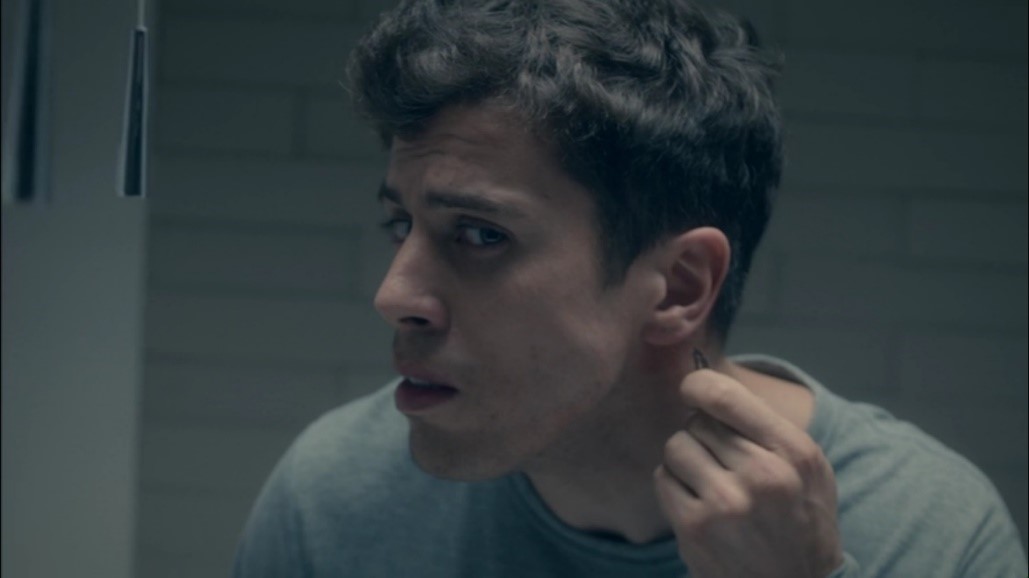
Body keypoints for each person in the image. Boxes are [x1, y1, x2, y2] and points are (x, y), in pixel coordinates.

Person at [233, 1, 1028, 576]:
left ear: (677, 287)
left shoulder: (927, 529)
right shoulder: (333, 492)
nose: (394, 294)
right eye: (399, 224)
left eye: (479, 234)